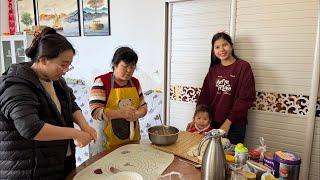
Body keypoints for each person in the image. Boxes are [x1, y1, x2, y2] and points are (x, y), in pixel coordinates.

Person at [0, 27, 97, 179]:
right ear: (44, 60)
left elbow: (71, 105)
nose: (65, 70)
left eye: (69, 65)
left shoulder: (56, 81)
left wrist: (85, 126)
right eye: (63, 64)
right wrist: (75, 133)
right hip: (28, 169)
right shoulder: (16, 85)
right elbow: (31, 128)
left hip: (57, 163)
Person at [187, 32, 256, 144]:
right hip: (212, 123)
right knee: (207, 155)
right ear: (213, 50)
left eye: (225, 45)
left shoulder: (243, 67)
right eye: (217, 47)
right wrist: (196, 119)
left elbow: (246, 98)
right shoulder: (213, 70)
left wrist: (228, 123)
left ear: (231, 46)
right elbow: (204, 97)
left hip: (235, 125)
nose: (221, 49)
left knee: (231, 158)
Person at [89, 47, 148, 150]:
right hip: (106, 144)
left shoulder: (135, 82)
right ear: (115, 64)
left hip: (131, 140)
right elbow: (95, 112)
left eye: (132, 66)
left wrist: (138, 114)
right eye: (125, 66)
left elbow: (143, 106)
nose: (129, 70)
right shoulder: (102, 81)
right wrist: (121, 113)